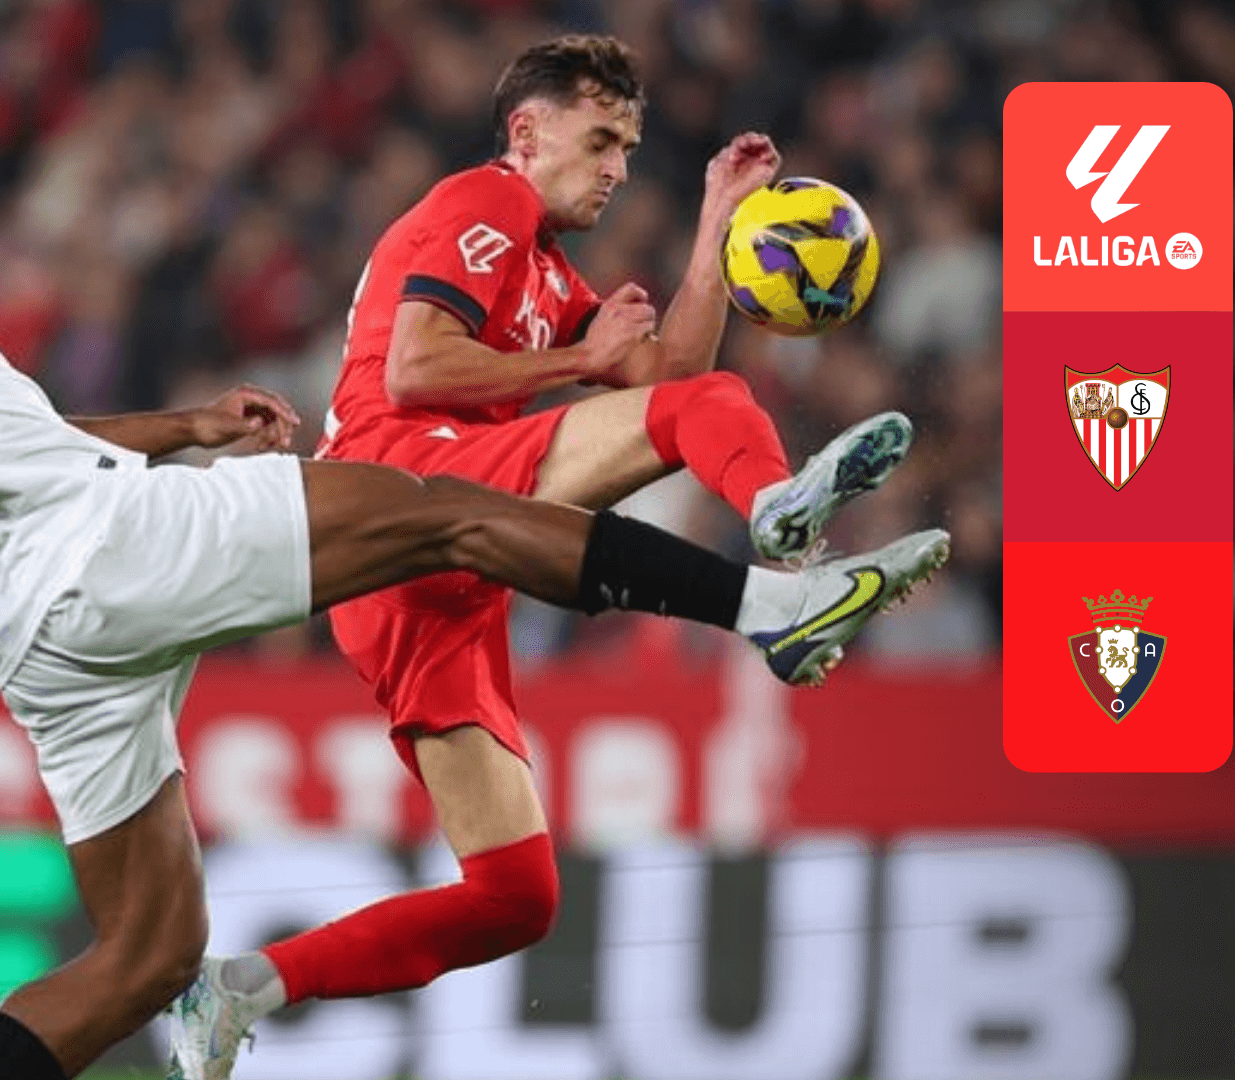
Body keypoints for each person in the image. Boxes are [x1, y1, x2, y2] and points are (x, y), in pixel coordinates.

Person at [0, 11, 946, 1080]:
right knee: (443, 515)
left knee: (150, 959)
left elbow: (14, 440)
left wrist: (186, 425)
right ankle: (768, 609)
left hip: (34, 625)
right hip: (94, 553)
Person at [165, 34, 937, 1080]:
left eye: (629, 148)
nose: (617, 168)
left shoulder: (539, 265)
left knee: (513, 896)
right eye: (601, 139)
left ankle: (240, 988)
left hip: (407, 586)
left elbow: (666, 374)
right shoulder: (484, 201)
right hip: (405, 484)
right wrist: (579, 358)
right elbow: (416, 367)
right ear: (527, 134)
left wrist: (718, 223)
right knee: (713, 408)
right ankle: (777, 525)